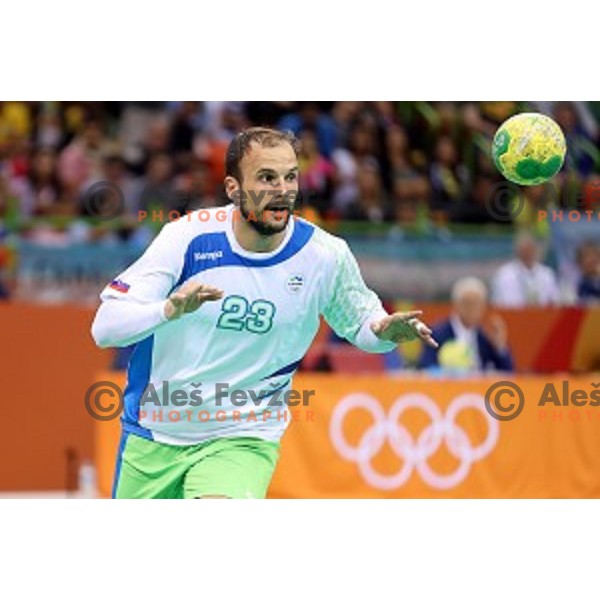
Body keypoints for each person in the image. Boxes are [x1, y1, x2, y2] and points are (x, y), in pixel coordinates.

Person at [91, 127, 437, 499]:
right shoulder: (187, 238)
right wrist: (168, 310)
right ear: (233, 188)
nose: (282, 190)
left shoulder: (324, 255)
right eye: (266, 178)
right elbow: (105, 329)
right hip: (154, 429)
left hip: (244, 434)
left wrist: (386, 334)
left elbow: (363, 325)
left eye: (290, 176)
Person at [419, 277, 513, 372]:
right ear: (456, 305)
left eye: (477, 304)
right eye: (468, 304)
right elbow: (427, 367)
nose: (472, 310)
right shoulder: (437, 333)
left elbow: (507, 372)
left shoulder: (484, 336)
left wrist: (499, 346)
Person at [491, 232, 560, 307]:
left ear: (536, 250)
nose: (528, 253)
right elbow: (497, 304)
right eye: (524, 250)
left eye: (530, 249)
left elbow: (555, 302)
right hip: (512, 316)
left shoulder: (547, 274)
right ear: (517, 251)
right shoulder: (504, 275)